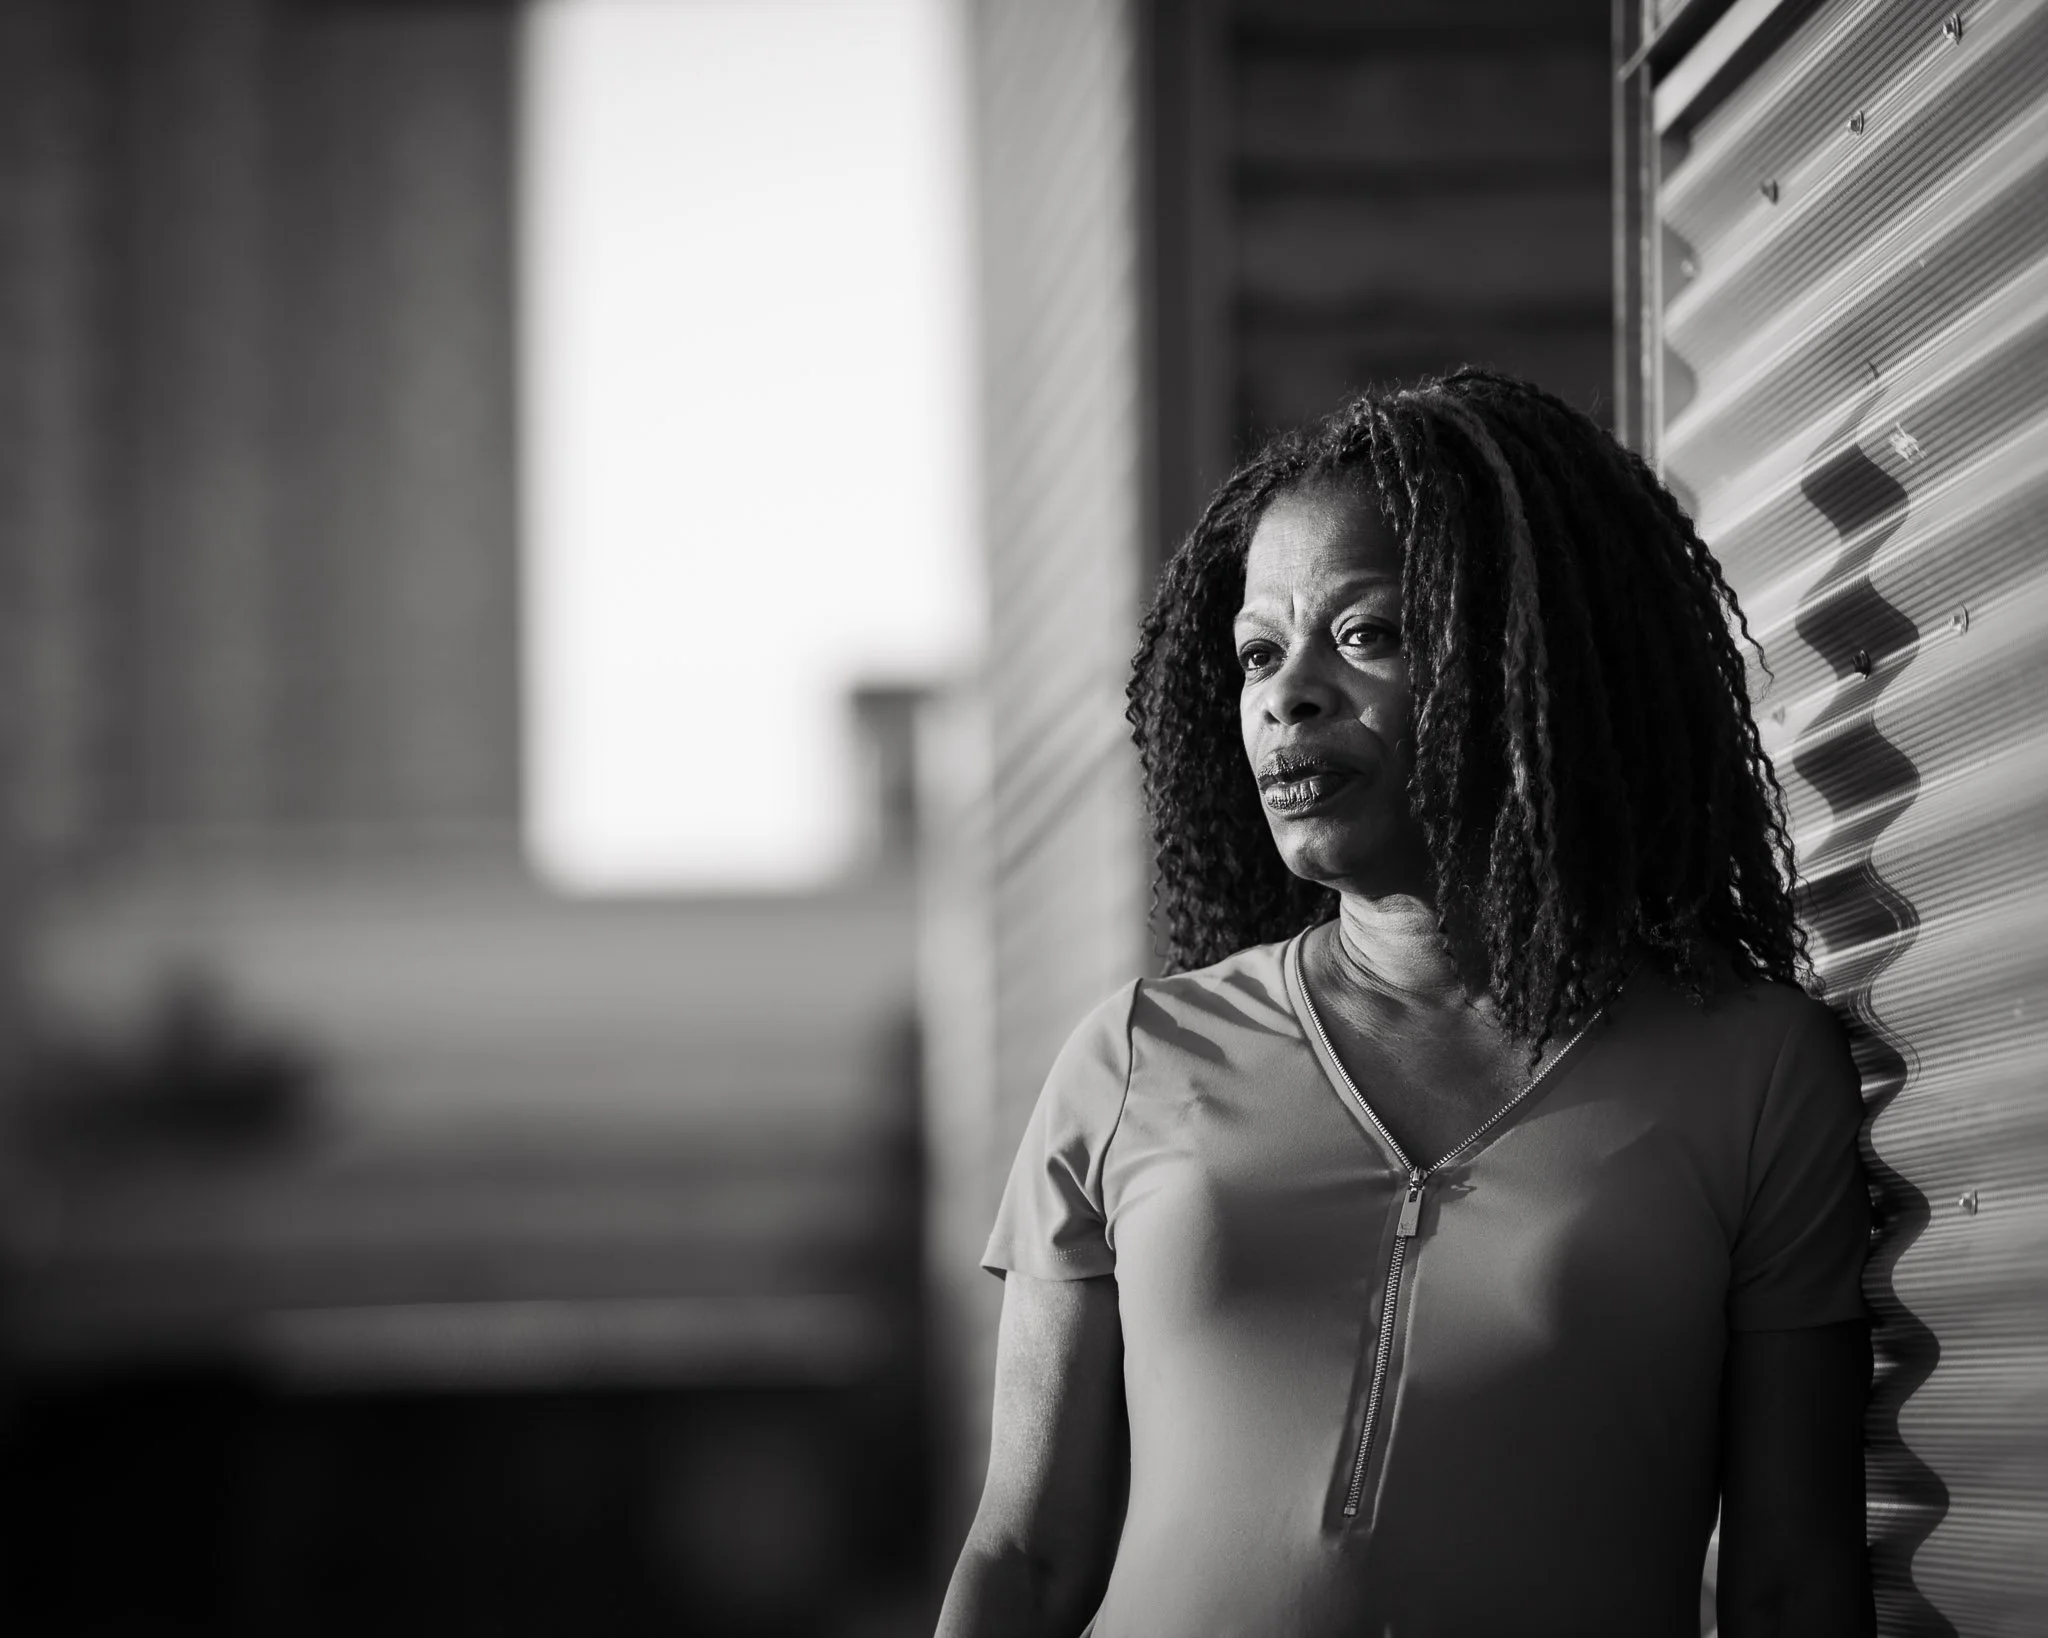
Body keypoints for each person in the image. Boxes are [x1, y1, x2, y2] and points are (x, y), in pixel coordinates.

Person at [935, 370, 1874, 1638]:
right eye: (1258, 652)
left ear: (1535, 657)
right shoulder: (1134, 1058)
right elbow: (1022, 1557)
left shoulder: (1755, 1073)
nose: (1287, 694)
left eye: (1365, 633)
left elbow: (1790, 1582)